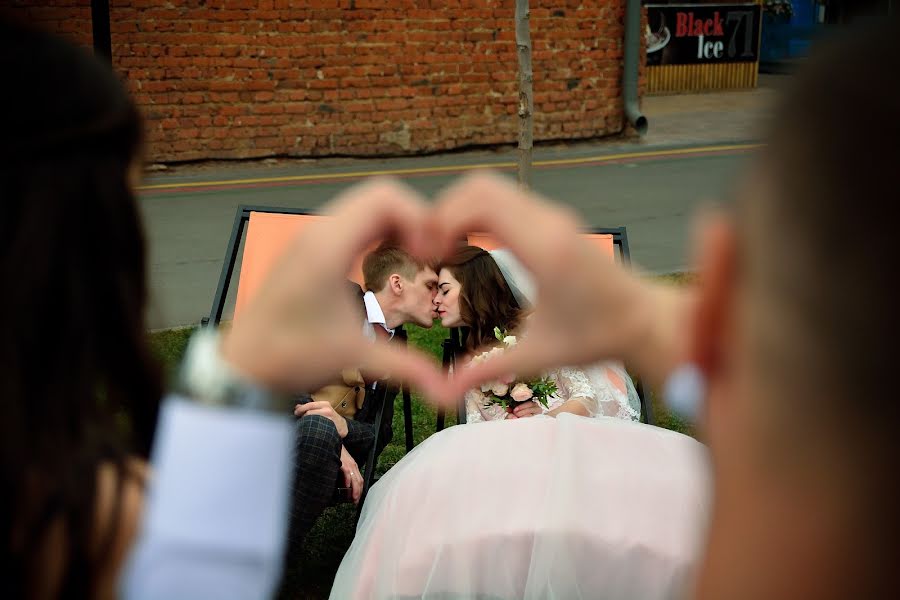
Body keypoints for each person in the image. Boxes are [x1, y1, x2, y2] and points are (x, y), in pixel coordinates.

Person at [0, 19, 444, 600]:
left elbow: (372, 434)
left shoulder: (396, 349)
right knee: (310, 439)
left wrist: (339, 426)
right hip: (271, 428)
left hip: (303, 443)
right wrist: (307, 413)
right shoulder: (75, 500)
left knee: (318, 437)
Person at [280, 245, 437, 592]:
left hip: (319, 448)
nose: (437, 297)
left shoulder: (397, 346)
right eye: (430, 285)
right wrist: (338, 443)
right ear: (397, 283)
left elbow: (379, 435)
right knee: (321, 430)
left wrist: (343, 429)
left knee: (322, 430)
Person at [434, 245, 641, 422]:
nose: (436, 300)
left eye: (445, 290)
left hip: (562, 435)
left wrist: (543, 418)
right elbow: (475, 425)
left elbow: (585, 397)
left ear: (473, 288)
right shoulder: (464, 363)